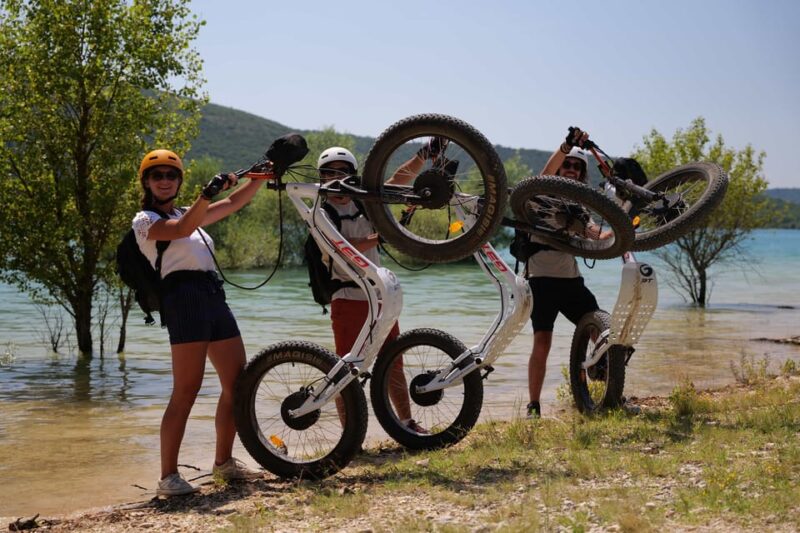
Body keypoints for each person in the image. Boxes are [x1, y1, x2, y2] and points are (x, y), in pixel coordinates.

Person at [132, 149, 262, 496]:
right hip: (182, 299)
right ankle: (168, 477)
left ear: (179, 181)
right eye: (156, 175)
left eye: (171, 175)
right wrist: (206, 195)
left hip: (211, 295)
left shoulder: (187, 211)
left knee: (238, 384)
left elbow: (233, 203)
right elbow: (183, 228)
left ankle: (224, 464)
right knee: (186, 390)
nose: (164, 180)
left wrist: (260, 178)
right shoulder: (144, 221)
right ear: (146, 182)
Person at [316, 145, 439, 434]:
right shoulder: (319, 212)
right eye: (328, 173)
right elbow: (340, 250)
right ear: (321, 178)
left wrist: (424, 155)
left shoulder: (364, 200)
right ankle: (349, 437)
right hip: (347, 298)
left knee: (393, 363)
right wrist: (380, 236)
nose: (335, 178)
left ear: (352, 175)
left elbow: (398, 181)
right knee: (346, 370)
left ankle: (407, 424)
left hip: (379, 298)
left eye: (341, 172)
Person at [523, 127, 602, 419]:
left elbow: (594, 232)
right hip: (541, 282)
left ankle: (606, 384)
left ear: (581, 174)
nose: (570, 168)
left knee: (601, 331)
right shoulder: (542, 195)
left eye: (576, 166)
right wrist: (567, 146)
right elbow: (545, 172)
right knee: (542, 343)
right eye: (567, 164)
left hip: (571, 281)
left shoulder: (580, 205)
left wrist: (620, 234)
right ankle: (533, 406)